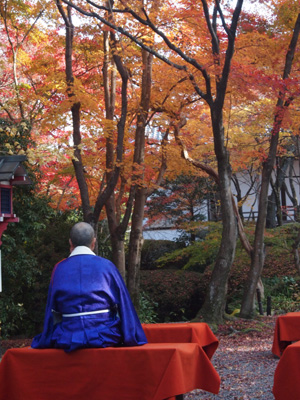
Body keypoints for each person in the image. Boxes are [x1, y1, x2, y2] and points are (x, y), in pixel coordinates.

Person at [31, 222, 147, 352]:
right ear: (94, 242)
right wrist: (131, 334)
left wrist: (48, 335)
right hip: (104, 334)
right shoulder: (107, 266)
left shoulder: (59, 268)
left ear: (70, 243)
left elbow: (51, 307)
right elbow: (124, 302)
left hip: (67, 336)